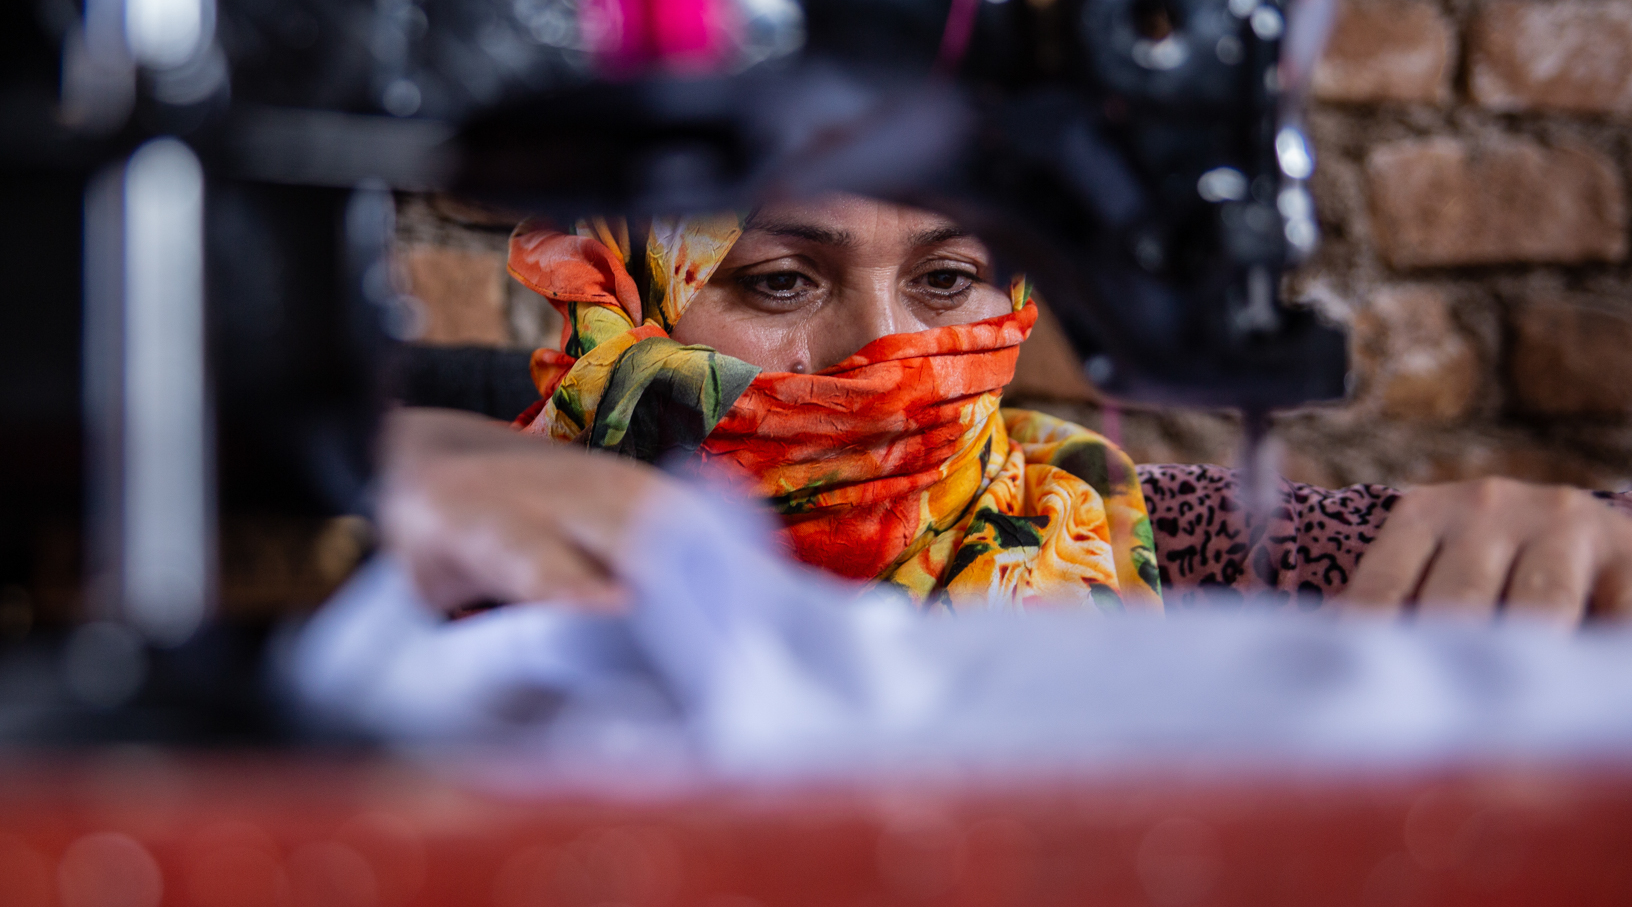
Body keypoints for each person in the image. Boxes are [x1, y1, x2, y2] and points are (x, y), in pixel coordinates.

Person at [380, 193, 1632, 627]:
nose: (888, 346)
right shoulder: (462, 537)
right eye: (774, 281)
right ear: (618, 291)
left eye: (947, 281)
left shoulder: (1145, 538)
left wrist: (1578, 541)